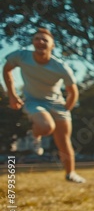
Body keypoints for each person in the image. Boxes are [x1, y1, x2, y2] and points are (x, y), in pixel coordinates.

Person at [2, 28, 86, 183]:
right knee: (47, 126)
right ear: (33, 42)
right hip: (34, 101)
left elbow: (73, 91)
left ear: (52, 45)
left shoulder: (60, 66)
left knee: (64, 140)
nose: (40, 42)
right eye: (36, 39)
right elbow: (6, 69)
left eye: (44, 40)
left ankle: (71, 174)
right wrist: (12, 95)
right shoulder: (21, 56)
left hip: (57, 103)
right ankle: (35, 135)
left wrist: (67, 108)